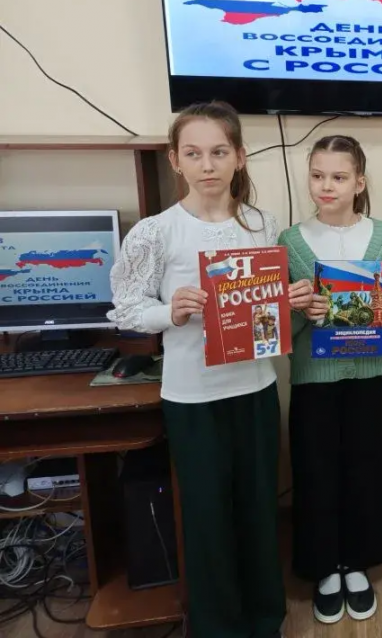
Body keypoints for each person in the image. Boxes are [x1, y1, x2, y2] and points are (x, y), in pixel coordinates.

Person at [108, 101, 315, 638]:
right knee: (206, 517)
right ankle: (217, 626)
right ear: (175, 160)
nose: (207, 165)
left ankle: (264, 617)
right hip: (193, 398)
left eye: (219, 152)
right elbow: (125, 307)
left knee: (257, 508)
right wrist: (169, 311)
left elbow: (269, 305)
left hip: (256, 388)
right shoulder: (156, 232)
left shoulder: (263, 225)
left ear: (239, 157)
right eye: (194, 153)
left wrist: (291, 298)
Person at [277, 135, 382, 624]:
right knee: (316, 469)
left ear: (359, 182)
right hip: (313, 377)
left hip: (367, 374)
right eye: (317, 175)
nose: (325, 186)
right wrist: (300, 310)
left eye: (338, 176)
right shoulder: (290, 241)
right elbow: (281, 327)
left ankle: (356, 561)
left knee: (365, 464)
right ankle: (323, 566)